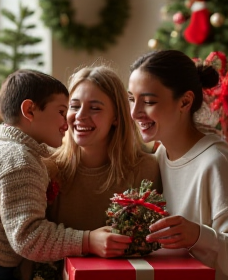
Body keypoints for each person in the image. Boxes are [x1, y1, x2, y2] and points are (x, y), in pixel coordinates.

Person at [128, 50, 228, 280]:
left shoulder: (217, 163)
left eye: (148, 102)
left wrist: (199, 235)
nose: (135, 113)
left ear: (185, 102)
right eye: (131, 99)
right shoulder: (160, 156)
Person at [0, 69, 93, 280]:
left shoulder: (2, 149)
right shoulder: (18, 160)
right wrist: (88, 241)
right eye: (62, 111)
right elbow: (29, 238)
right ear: (30, 110)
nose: (67, 122)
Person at [48, 65, 161, 258]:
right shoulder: (48, 168)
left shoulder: (146, 168)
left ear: (116, 117)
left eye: (94, 108)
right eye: (74, 106)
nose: (80, 116)